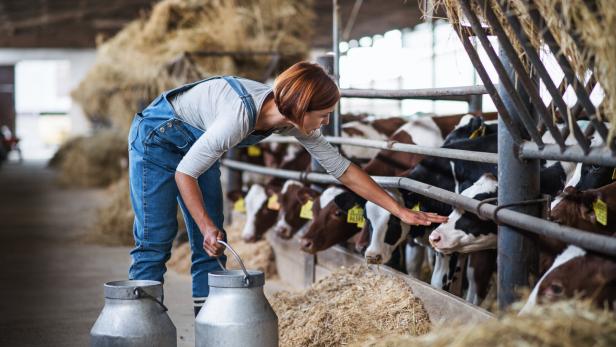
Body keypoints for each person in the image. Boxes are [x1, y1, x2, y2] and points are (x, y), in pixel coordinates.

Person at [127, 61, 448, 316]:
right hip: (158, 136)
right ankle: (140, 326)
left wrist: (399, 210)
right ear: (302, 106)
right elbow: (185, 174)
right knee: (156, 237)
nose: (324, 123)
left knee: (213, 247)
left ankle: (212, 331)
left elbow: (344, 170)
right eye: (323, 116)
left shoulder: (292, 118)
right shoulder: (238, 116)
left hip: (199, 142)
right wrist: (205, 224)